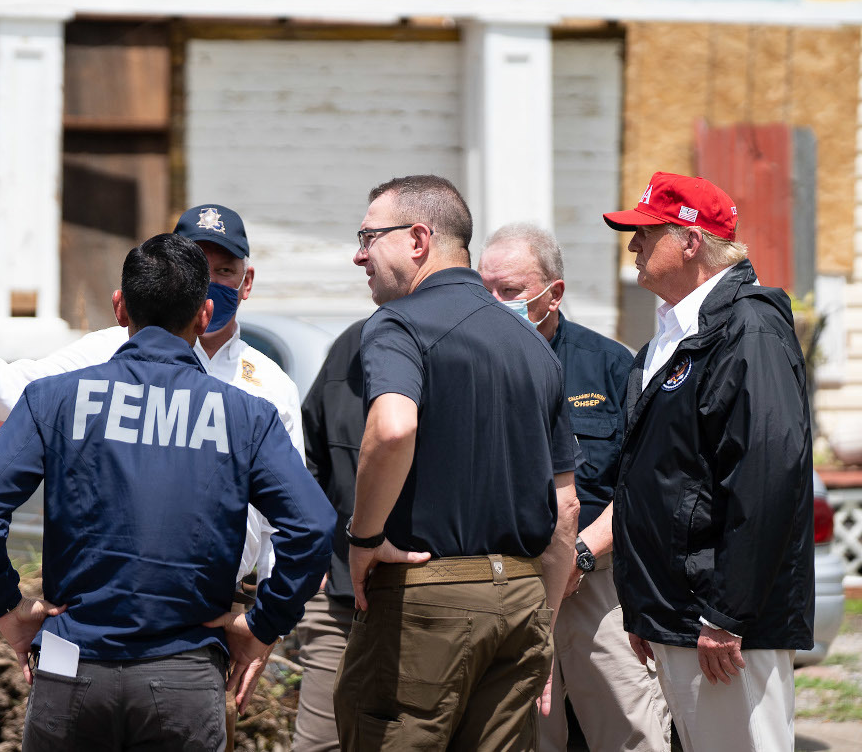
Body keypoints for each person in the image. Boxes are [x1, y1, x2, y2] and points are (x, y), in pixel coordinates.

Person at [0, 233, 335, 751]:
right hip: (186, 670)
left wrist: (7, 607)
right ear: (203, 315)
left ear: (119, 307)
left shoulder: (55, 398)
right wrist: (265, 623)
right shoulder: (247, 414)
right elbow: (312, 526)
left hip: (70, 662)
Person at [0, 203, 302, 581]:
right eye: (200, 270)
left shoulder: (269, 387)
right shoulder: (107, 354)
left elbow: (287, 518)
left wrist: (266, 624)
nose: (211, 285)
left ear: (247, 282)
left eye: (225, 271)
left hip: (218, 604)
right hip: (107, 589)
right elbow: (5, 393)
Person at [334, 174, 581, 751]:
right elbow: (565, 506)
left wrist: (364, 536)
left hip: (426, 601)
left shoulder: (398, 323)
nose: (359, 254)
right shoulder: (535, 346)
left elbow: (393, 428)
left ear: (418, 239)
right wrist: (542, 623)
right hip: (521, 601)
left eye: (369, 236)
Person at [601, 172, 814, 752]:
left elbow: (768, 475)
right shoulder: (675, 334)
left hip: (719, 623)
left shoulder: (749, 328)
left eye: (646, 233)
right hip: (681, 616)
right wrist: (646, 610)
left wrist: (727, 612)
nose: (633, 246)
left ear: (691, 241)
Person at [477, 223, 672, 752]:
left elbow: (641, 483)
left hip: (595, 582)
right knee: (524, 735)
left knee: (632, 728)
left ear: (553, 293)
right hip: (505, 583)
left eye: (510, 291)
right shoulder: (464, 362)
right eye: (484, 289)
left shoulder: (610, 366)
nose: (494, 303)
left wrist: (581, 557)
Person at [293, 316, 369, 752]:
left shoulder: (471, 347)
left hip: (430, 603)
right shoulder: (353, 345)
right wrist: (312, 554)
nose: (362, 258)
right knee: (317, 744)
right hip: (339, 598)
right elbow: (311, 461)